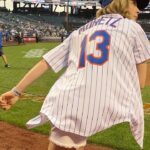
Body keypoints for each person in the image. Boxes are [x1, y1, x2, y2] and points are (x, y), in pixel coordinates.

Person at [0, 0, 150, 149]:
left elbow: (46, 62)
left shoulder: (80, 30)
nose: (139, 10)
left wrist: (16, 91)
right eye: (135, 3)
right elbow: (140, 82)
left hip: (68, 100)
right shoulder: (132, 27)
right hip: (81, 105)